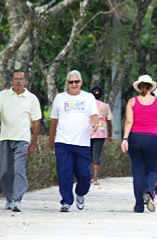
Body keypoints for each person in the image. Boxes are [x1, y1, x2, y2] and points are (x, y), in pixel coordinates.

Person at [0, 69, 42, 212]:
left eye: (21, 79)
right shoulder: (3, 95)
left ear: (25, 81)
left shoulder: (32, 98)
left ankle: (17, 199)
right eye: (15, 79)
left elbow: (36, 122)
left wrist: (33, 143)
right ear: (12, 81)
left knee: (19, 169)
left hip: (22, 139)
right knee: (6, 170)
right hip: (5, 137)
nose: (18, 81)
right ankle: (9, 198)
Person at [49, 70, 98, 212]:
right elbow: (53, 121)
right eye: (71, 82)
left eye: (76, 82)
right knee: (64, 173)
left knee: (84, 174)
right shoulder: (59, 98)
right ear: (67, 83)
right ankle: (66, 201)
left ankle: (80, 193)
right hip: (63, 142)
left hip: (82, 143)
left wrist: (94, 123)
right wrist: (51, 139)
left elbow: (94, 115)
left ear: (81, 83)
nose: (74, 84)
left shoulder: (88, 97)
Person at [121, 75, 157, 213]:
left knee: (138, 171)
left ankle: (138, 205)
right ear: (150, 87)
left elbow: (129, 122)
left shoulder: (132, 102)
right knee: (152, 170)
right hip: (152, 139)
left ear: (139, 87)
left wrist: (125, 139)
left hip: (135, 138)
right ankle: (148, 192)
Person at [90, 86, 113, 185]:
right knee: (96, 154)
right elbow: (109, 121)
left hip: (88, 132)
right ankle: (95, 178)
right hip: (101, 132)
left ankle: (89, 177)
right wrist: (110, 134)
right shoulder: (105, 106)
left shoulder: (88, 105)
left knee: (88, 154)